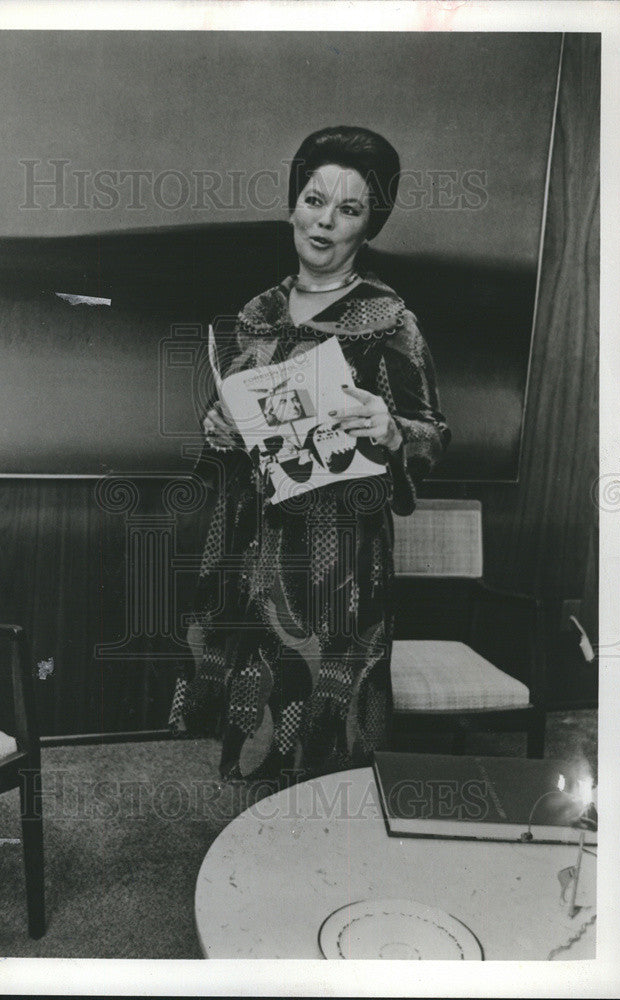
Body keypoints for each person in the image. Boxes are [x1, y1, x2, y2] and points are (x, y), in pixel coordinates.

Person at [169, 126, 450, 783]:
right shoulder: (256, 314)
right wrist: (219, 430)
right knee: (261, 721)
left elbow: (434, 431)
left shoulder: (387, 320)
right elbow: (239, 415)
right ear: (293, 203)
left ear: (370, 224)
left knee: (331, 734)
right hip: (256, 551)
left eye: (348, 210)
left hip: (339, 560)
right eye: (314, 200)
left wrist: (391, 427)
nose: (325, 222)